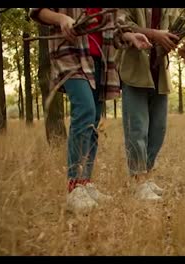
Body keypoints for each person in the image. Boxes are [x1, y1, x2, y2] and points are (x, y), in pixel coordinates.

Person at [29, 8, 152, 212]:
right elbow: (37, 10)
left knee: (94, 119)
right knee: (85, 110)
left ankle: (85, 182)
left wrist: (130, 35)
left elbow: (116, 25)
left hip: (101, 57)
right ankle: (74, 186)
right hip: (70, 51)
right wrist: (61, 18)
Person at [117, 8, 180, 200]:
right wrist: (153, 34)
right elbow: (121, 26)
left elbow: (175, 28)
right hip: (134, 70)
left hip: (159, 72)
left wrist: (172, 40)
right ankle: (138, 181)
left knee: (158, 129)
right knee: (137, 128)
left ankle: (147, 175)